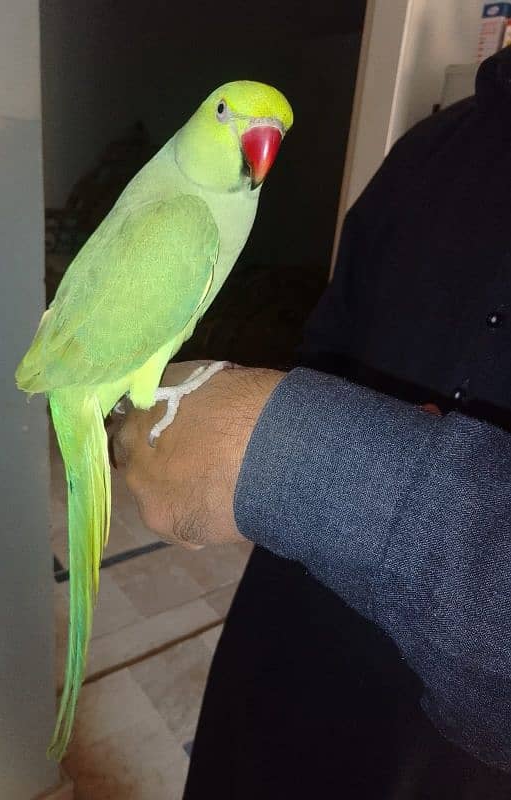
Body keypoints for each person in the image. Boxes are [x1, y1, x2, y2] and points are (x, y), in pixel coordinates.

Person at [115, 46, 511, 798]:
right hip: (294, 617)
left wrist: (311, 462)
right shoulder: (428, 147)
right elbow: (329, 340)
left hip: (455, 751)